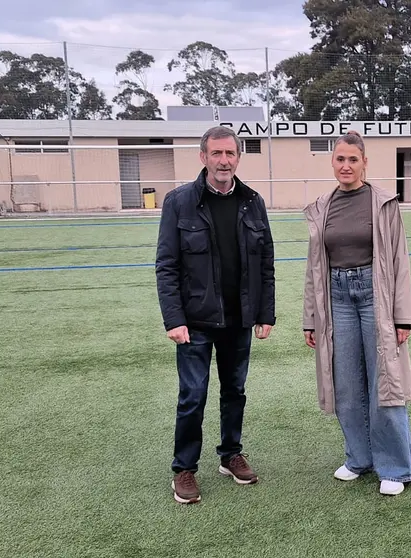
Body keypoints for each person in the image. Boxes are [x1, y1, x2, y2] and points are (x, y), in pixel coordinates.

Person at [155, 125, 276, 504]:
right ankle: (185, 469)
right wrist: (174, 319)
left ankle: (230, 454)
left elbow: (266, 262)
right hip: (195, 322)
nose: (224, 161)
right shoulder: (178, 202)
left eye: (230, 154)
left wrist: (265, 313)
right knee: (193, 395)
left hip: (239, 319)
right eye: (217, 153)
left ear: (238, 158)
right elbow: (167, 265)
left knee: (234, 391)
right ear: (203, 157)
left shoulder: (252, 201)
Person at [301, 129, 411, 496]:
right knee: (347, 384)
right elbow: (314, 268)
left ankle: (396, 468)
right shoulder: (323, 206)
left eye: (353, 159)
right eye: (340, 159)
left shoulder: (384, 202)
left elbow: (399, 260)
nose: (346, 165)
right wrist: (310, 318)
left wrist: (402, 316)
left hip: (375, 297)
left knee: (384, 382)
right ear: (332, 162)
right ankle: (359, 458)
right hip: (336, 300)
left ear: (365, 162)